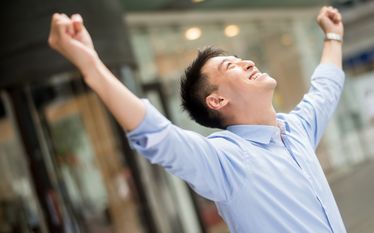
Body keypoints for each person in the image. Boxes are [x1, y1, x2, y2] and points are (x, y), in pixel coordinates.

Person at [48, 6, 346, 233]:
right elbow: (159, 136)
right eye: (231, 65)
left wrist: (333, 35)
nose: (248, 62)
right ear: (217, 100)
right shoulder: (227, 161)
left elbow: (325, 89)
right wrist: (91, 66)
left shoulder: (296, 130)